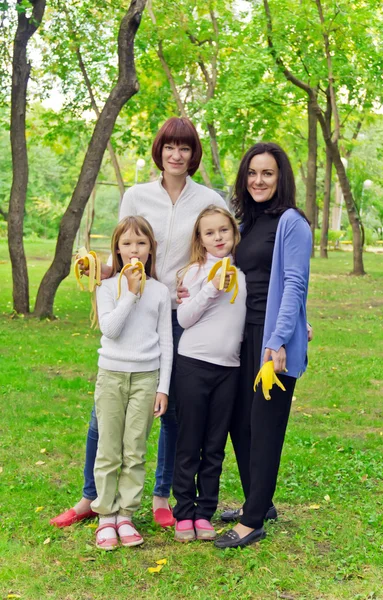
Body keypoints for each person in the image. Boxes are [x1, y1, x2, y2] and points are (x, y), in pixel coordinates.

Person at [50, 117, 226, 529]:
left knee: (170, 409)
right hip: (134, 306)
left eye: (184, 148)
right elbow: (122, 244)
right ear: (160, 151)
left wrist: (192, 281)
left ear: (193, 154)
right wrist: (99, 269)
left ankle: (161, 495)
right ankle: (91, 497)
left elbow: (217, 249)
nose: (176, 155)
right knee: (103, 415)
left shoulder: (207, 198)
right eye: (169, 147)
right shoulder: (136, 194)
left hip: (181, 314)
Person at [214, 142, 312, 549]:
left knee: (266, 428)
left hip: (272, 342)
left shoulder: (293, 222)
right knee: (242, 422)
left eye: (267, 173)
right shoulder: (248, 222)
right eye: (252, 173)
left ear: (281, 178)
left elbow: (294, 284)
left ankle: (253, 521)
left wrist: (280, 338)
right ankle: (261, 499)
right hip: (244, 336)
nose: (258, 180)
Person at [90, 216, 172, 550]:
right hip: (111, 376)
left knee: (134, 450)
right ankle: (105, 516)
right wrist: (130, 293)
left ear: (151, 248)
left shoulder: (161, 291)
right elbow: (110, 329)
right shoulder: (107, 287)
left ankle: (126, 514)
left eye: (141, 243)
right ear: (117, 249)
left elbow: (166, 342)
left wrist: (163, 386)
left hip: (145, 378)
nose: (134, 250)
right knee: (109, 450)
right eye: (127, 244)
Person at [172, 206, 246, 542]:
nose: (218, 238)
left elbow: (258, 310)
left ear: (234, 233)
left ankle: (205, 512)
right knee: (190, 442)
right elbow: (184, 319)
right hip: (193, 364)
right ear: (200, 240)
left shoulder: (244, 273)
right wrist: (211, 286)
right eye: (210, 233)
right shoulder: (195, 272)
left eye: (223, 231)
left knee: (215, 445)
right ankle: (183, 512)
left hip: (228, 369)